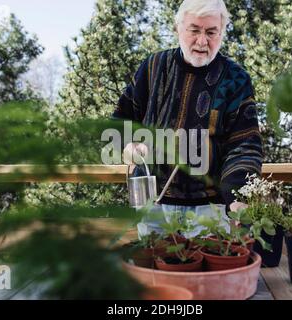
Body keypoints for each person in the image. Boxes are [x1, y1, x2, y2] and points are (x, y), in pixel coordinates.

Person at [112, 0, 263, 232]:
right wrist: (129, 147)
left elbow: (245, 144)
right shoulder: (153, 67)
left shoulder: (236, 79)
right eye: (195, 30)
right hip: (151, 204)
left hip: (210, 208)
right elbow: (120, 122)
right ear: (178, 28)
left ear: (221, 32)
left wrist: (238, 195)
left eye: (211, 32)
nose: (203, 41)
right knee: (154, 266)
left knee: (211, 265)